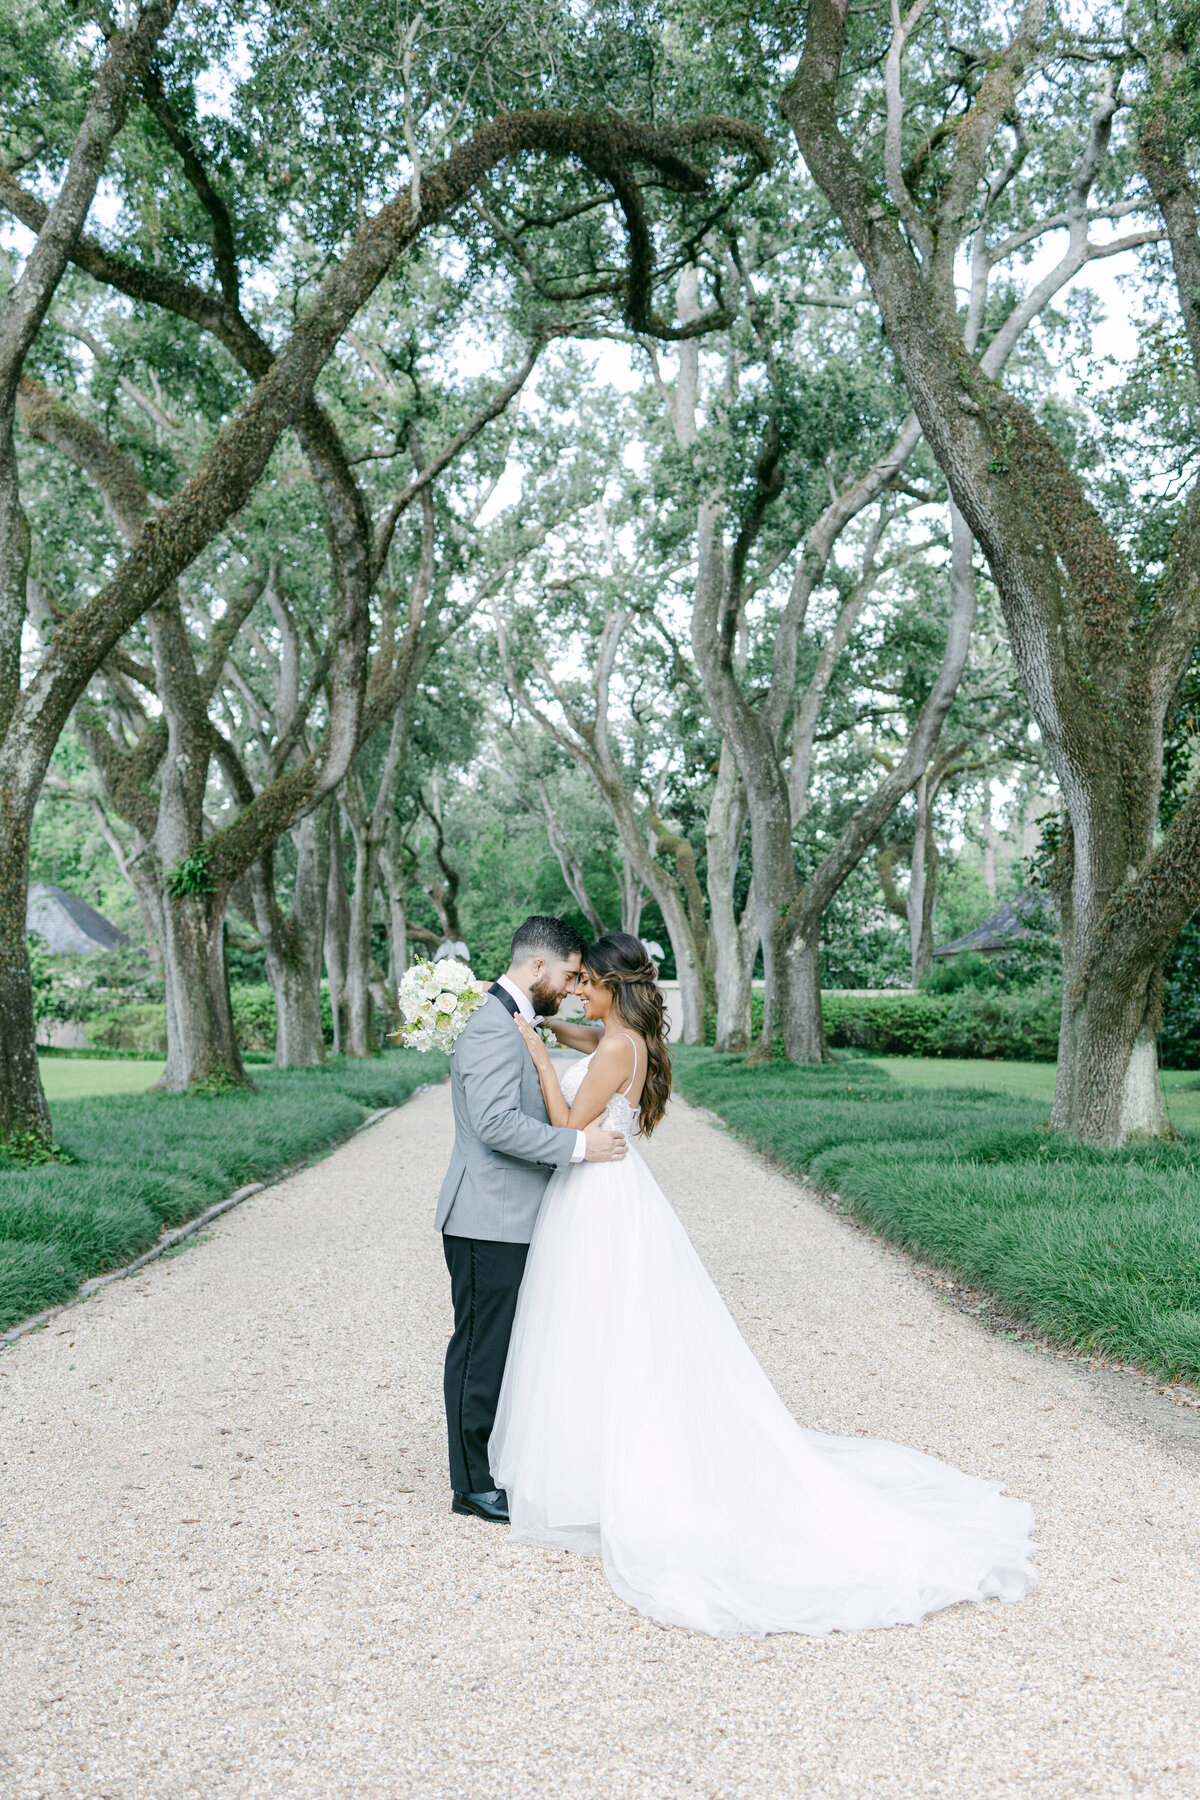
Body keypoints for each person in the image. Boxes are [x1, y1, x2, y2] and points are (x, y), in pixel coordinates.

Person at [491, 931, 1037, 1638]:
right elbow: (585, 1036)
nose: (578, 994)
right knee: (613, 1330)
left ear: (612, 986)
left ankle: (609, 1472)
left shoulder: (618, 1047)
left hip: (597, 1197)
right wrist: (547, 1025)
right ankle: (595, 1463)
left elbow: (569, 1122)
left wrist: (537, 1056)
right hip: (613, 1196)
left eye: (588, 984)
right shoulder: (626, 1040)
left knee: (602, 1326)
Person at [435, 915, 628, 1524]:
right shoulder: (492, 1026)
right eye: (570, 973)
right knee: (480, 1349)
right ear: (538, 966)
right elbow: (493, 1124)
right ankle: (472, 1484)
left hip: (515, 1214)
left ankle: (495, 1462)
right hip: (487, 1215)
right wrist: (578, 1148)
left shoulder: (516, 1018)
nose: (573, 985)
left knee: (511, 1345)